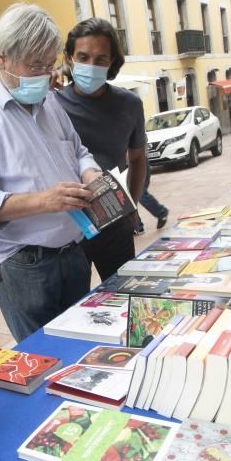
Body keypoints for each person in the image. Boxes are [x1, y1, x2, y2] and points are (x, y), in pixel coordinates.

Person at [0, 3, 103, 342]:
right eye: (35, 65)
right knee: (44, 356)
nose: (45, 75)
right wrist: (45, 200)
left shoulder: (51, 102)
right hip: (25, 263)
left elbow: (78, 151)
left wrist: (90, 174)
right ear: (1, 57)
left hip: (74, 248)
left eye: (49, 65)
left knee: (83, 346)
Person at [54, 18, 146, 280]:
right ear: (70, 58)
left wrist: (133, 205)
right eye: (83, 57)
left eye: (101, 59)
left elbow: (138, 159)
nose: (91, 66)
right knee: (74, 307)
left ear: (112, 63)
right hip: (67, 227)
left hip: (115, 218)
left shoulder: (130, 104)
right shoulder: (50, 105)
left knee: (125, 293)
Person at [134, 159, 170, 235]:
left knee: (140, 194)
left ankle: (162, 212)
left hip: (137, 163)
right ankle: (137, 227)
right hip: (127, 166)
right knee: (129, 198)